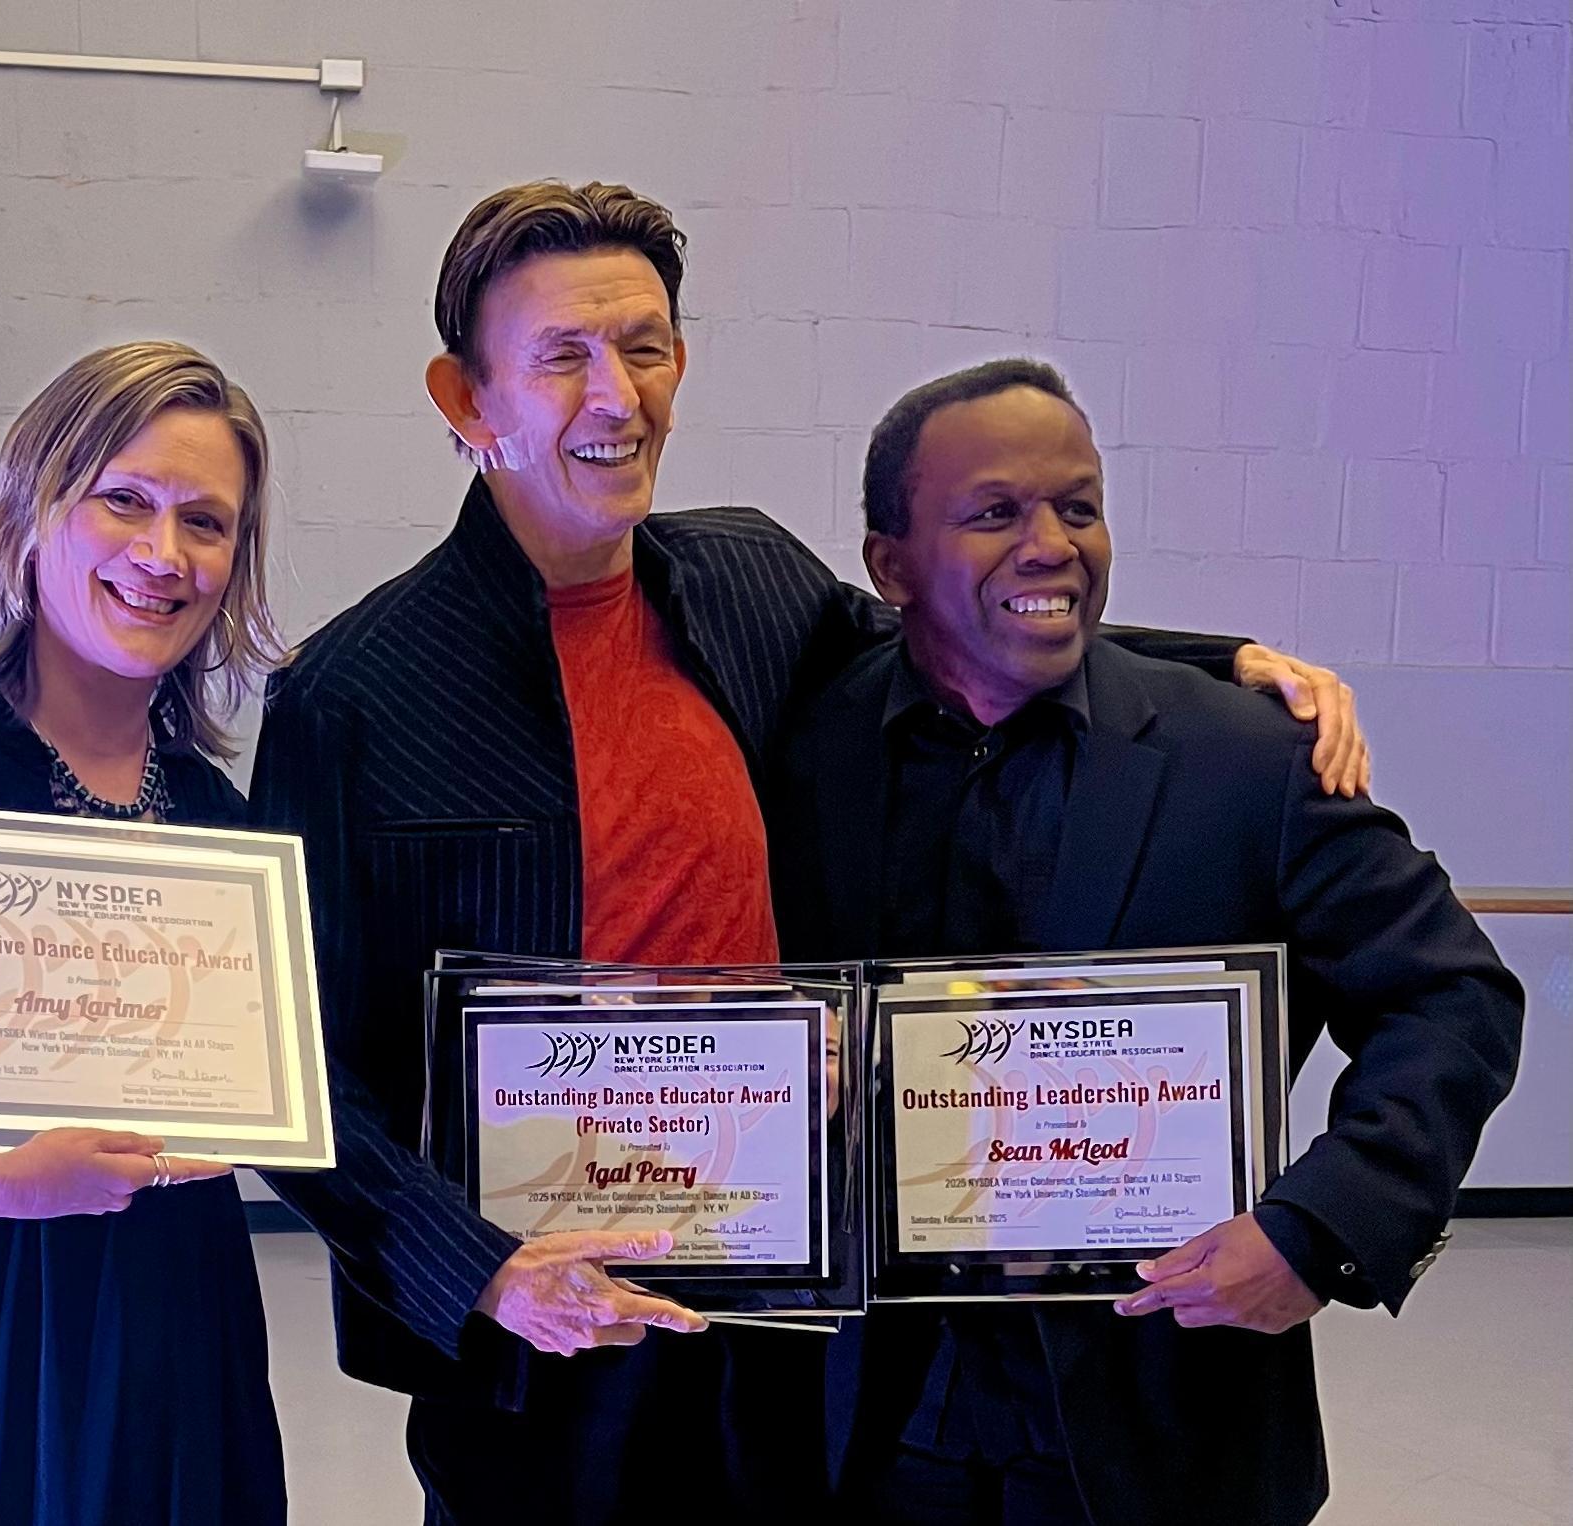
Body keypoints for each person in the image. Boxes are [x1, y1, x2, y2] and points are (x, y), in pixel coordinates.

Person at [249, 181, 1369, 1526]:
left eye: (645, 346)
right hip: (549, 1335)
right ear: (464, 395)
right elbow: (300, 1073)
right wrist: (483, 1274)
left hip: (789, 1317)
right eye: (563, 356)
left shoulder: (748, 581)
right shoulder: (359, 695)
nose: (617, 393)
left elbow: (956, 634)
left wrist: (1218, 668)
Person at [0, 341, 704, 1526]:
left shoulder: (221, 819)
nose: (164, 554)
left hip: (176, 1318)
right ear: (33, 511)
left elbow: (309, 1096)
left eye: (206, 523)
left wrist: (509, 1240)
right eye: (125, 500)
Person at [770, 358, 1523, 1526]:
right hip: (866, 1429)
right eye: (995, 512)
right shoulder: (799, 758)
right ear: (891, 564)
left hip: (1164, 1417)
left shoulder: (1250, 762)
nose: (1051, 544)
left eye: (1079, 505)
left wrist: (1317, 1227)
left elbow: (1454, 998)